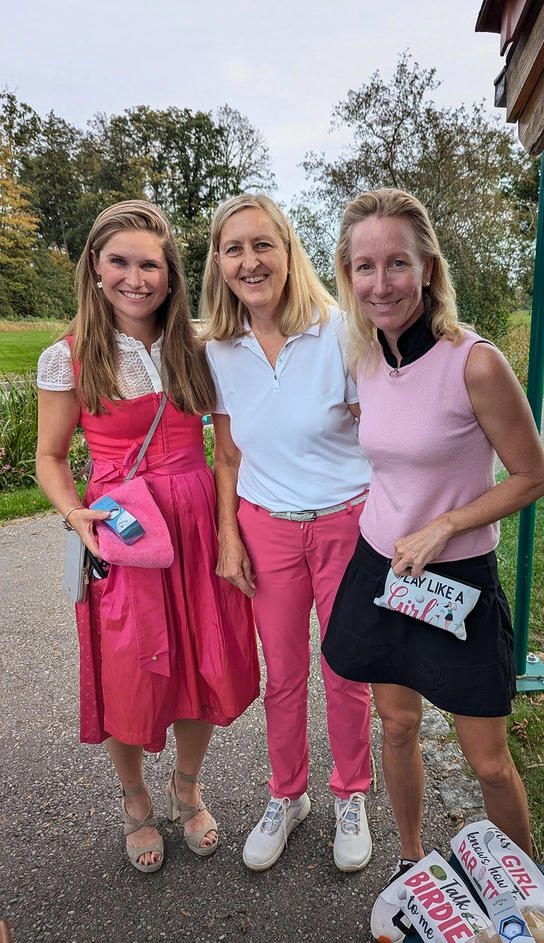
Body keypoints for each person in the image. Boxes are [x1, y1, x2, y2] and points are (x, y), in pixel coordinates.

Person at [321, 188, 544, 943]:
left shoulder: (473, 361)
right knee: (395, 724)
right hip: (384, 572)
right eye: (364, 265)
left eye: (396, 263)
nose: (380, 281)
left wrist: (445, 523)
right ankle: (414, 859)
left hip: (456, 583)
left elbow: (530, 475)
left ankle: (526, 892)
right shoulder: (364, 357)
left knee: (487, 762)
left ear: (428, 269)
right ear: (347, 275)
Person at [36, 200, 260, 873]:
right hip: (125, 531)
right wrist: (74, 512)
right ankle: (135, 799)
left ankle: (186, 788)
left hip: (197, 522)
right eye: (120, 262)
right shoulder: (68, 356)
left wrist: (232, 530)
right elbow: (49, 456)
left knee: (205, 661)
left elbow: (230, 446)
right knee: (129, 670)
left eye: (150, 265)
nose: (136, 277)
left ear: (171, 276)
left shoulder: (199, 345)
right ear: (96, 269)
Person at [201, 193, 373, 873]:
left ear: (288, 250)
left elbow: (378, 435)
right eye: (234, 248)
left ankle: (352, 793)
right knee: (284, 674)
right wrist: (227, 535)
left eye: (262, 244)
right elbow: (228, 454)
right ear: (219, 262)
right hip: (266, 529)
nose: (250, 260)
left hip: (345, 526)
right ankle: (288, 793)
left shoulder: (338, 330)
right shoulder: (219, 346)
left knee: (345, 669)